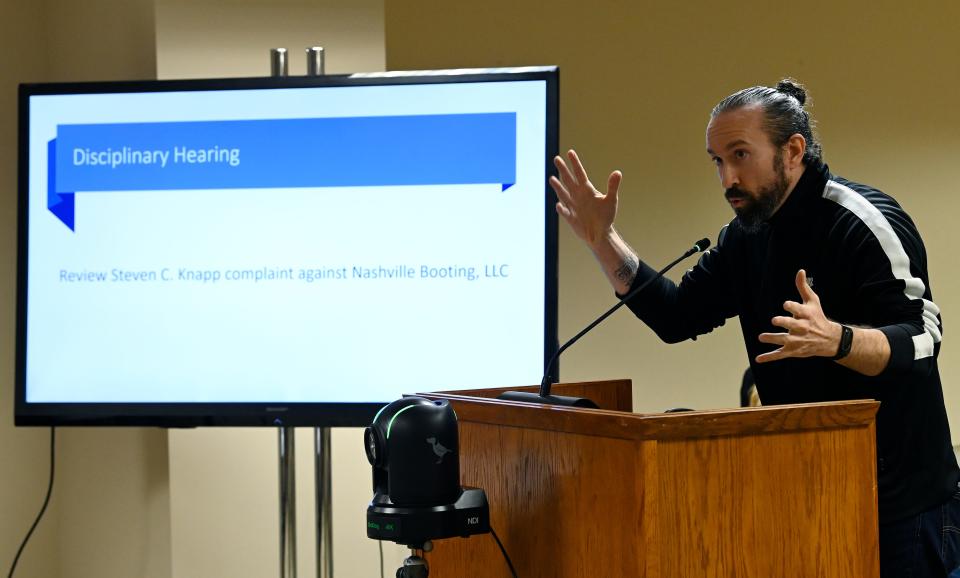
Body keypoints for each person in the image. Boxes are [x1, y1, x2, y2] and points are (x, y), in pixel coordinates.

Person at [550, 78, 960, 578]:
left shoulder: (861, 221)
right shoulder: (745, 239)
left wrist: (839, 340)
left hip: (903, 510)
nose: (727, 178)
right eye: (717, 160)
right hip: (805, 496)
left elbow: (923, 340)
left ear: (792, 150)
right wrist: (602, 240)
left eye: (740, 155)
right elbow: (678, 317)